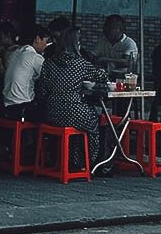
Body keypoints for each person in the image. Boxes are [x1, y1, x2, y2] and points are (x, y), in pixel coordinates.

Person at [36, 27, 108, 168]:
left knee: (81, 123)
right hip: (74, 111)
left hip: (52, 113)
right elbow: (102, 77)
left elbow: (42, 91)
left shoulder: (48, 63)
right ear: (77, 44)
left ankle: (71, 160)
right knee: (93, 122)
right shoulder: (81, 64)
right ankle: (88, 163)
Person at [2, 27, 50, 121]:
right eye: (46, 41)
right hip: (21, 107)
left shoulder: (15, 53)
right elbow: (50, 77)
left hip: (6, 105)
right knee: (51, 111)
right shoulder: (35, 57)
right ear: (37, 39)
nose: (46, 45)